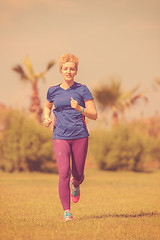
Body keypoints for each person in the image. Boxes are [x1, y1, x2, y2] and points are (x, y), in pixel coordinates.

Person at [43, 53, 97, 222]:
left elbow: (94, 114)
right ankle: (67, 212)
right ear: (61, 70)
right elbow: (47, 107)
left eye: (71, 69)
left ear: (76, 71)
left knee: (78, 173)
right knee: (63, 173)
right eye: (65, 68)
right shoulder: (52, 91)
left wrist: (80, 108)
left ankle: (76, 184)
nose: (68, 71)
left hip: (80, 134)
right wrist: (46, 117)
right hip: (60, 135)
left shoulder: (82, 89)